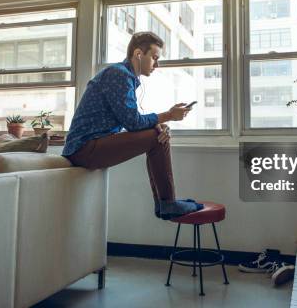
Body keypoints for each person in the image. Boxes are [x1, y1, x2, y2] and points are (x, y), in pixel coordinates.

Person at [62, 31, 203, 219]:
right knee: (156, 136)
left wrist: (159, 124)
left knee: (157, 133)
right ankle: (167, 203)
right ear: (138, 54)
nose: (157, 64)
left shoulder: (124, 76)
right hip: (83, 149)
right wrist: (168, 115)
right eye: (154, 57)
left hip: (92, 144)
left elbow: (132, 121)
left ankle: (166, 203)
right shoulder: (118, 74)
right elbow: (133, 123)